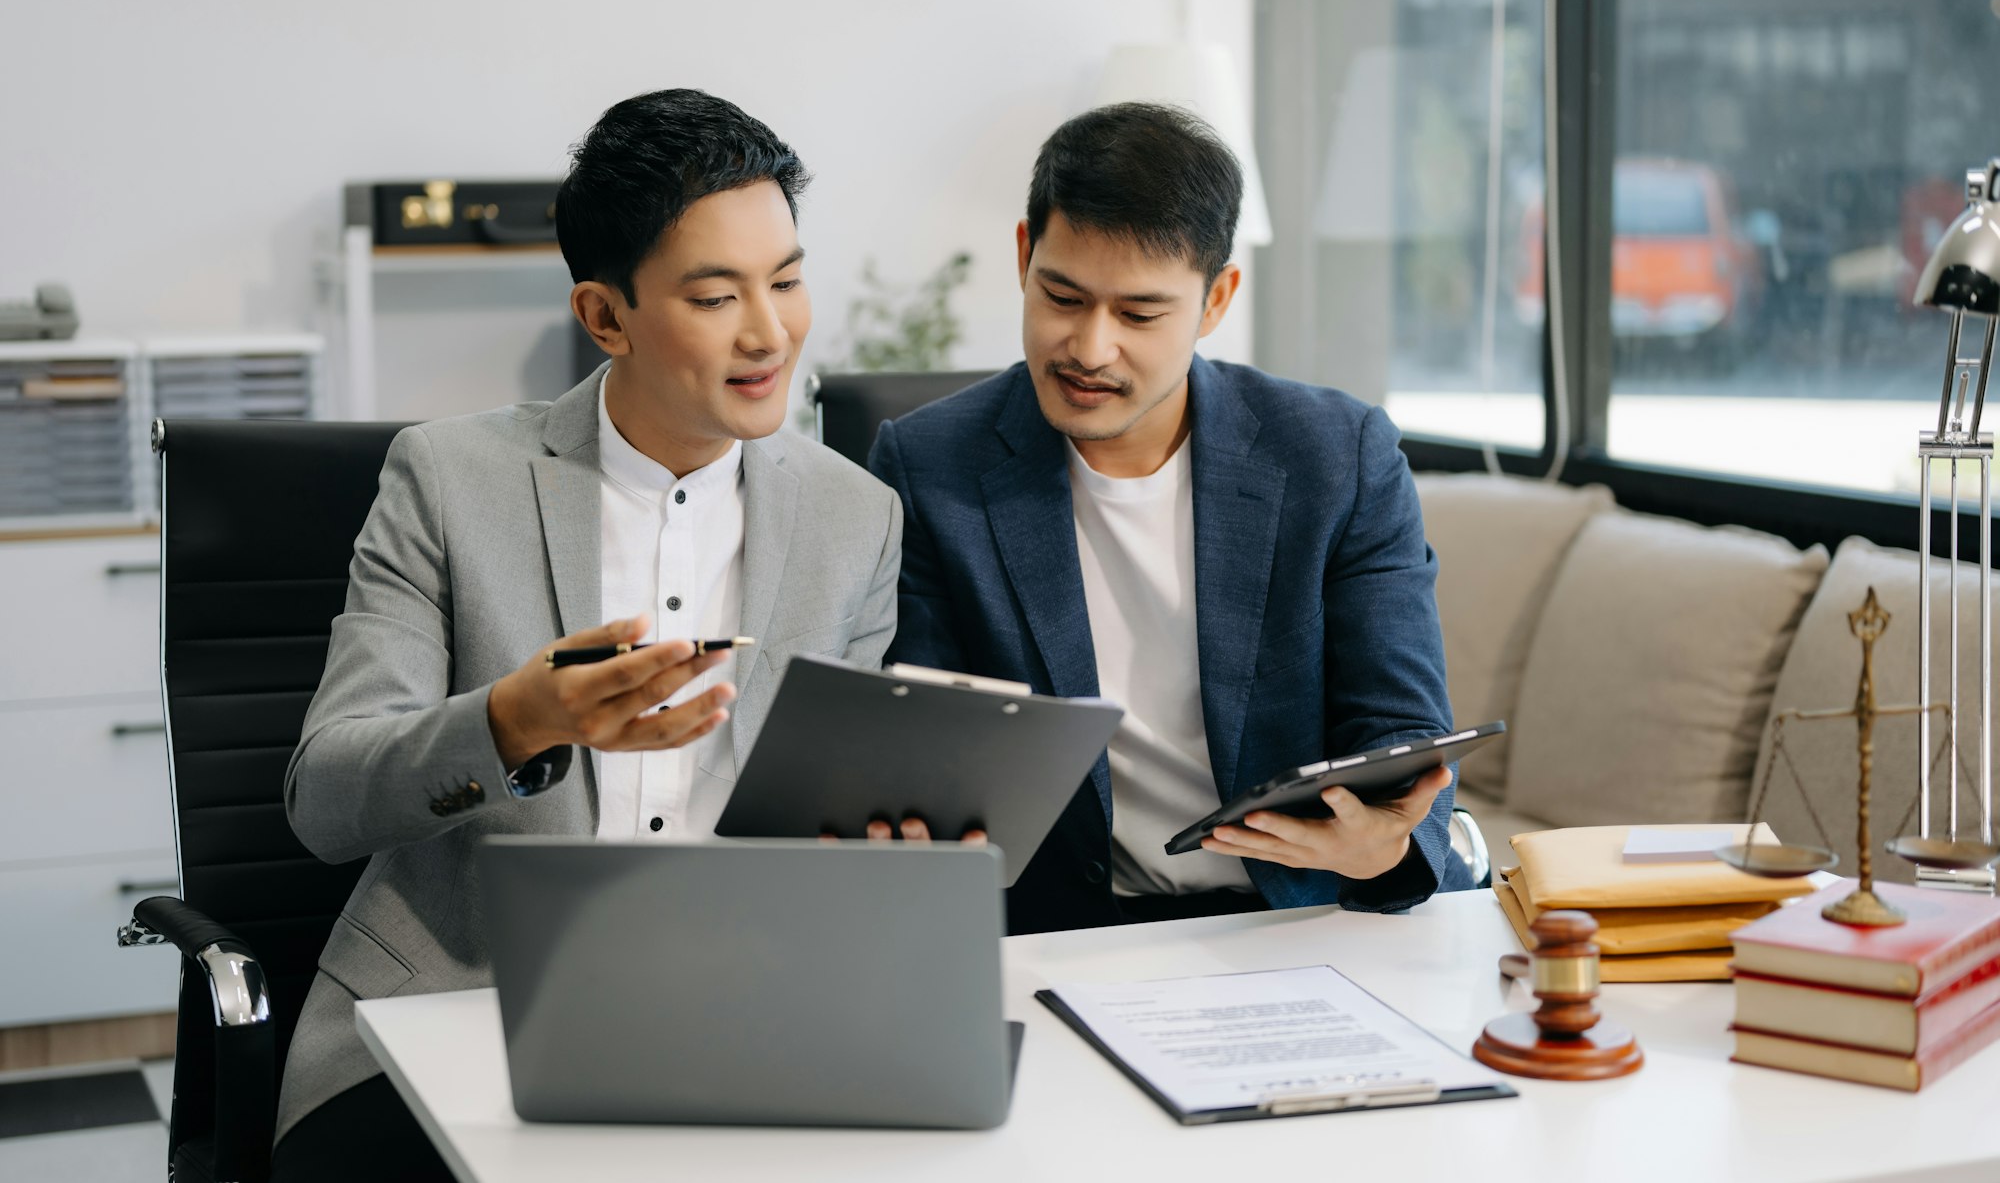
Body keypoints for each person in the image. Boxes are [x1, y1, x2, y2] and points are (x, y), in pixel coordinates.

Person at [272, 89, 905, 1180]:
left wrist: (880, 850)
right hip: (462, 1012)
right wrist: (515, 721)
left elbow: (823, 806)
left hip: (740, 1014)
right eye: (715, 295)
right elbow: (324, 799)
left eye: (787, 280)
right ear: (604, 317)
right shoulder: (447, 479)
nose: (770, 331)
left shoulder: (857, 514)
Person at [869, 102, 1472, 936]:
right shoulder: (928, 464)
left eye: (1140, 314)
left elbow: (1403, 734)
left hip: (1296, 919)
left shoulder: (1337, 456)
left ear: (1216, 299)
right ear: (1022, 256)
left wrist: (1381, 847)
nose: (1089, 346)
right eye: (1062, 295)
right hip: (1065, 935)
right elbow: (921, 743)